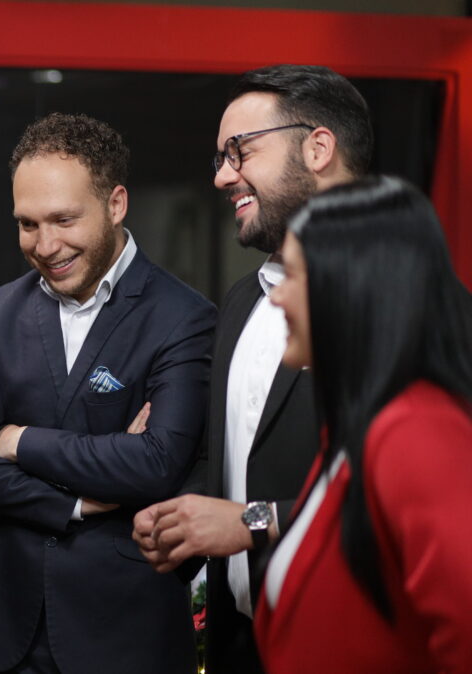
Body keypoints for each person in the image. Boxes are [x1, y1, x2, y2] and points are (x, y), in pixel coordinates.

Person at [0, 112, 216, 673]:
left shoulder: (184, 317)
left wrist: (18, 441)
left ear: (115, 204)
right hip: (3, 629)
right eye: (27, 224)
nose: (45, 245)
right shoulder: (1, 309)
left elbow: (156, 464)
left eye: (63, 219)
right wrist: (79, 502)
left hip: (125, 630)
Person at [132, 64, 373, 673]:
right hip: (242, 645)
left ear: (318, 147)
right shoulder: (242, 300)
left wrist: (250, 521)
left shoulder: (405, 299)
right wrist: (181, 512)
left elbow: (400, 508)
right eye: (219, 157)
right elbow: (235, 459)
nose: (221, 176)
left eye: (239, 151)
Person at [256, 176, 472, 672]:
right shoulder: (358, 428)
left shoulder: (415, 432)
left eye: (292, 275)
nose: (275, 298)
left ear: (348, 285)